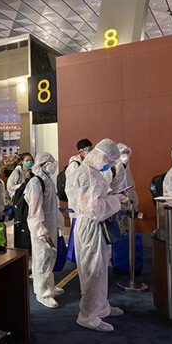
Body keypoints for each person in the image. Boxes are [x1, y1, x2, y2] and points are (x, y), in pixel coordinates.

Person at [67, 138, 127, 332]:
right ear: (101, 155)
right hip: (91, 226)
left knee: (100, 269)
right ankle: (88, 316)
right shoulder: (87, 175)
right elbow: (93, 210)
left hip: (95, 227)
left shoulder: (92, 172)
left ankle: (101, 307)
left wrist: (111, 198)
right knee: (93, 271)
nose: (109, 165)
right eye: (109, 161)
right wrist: (116, 201)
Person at [24, 152, 64, 308]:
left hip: (50, 225)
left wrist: (58, 223)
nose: (53, 164)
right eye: (50, 162)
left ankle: (49, 286)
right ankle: (42, 293)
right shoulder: (36, 182)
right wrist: (40, 229)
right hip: (41, 228)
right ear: (42, 164)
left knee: (50, 258)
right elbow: (34, 210)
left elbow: (52, 206)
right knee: (42, 259)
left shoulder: (47, 180)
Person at [64, 138, 93, 263]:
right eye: (88, 149)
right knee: (77, 230)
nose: (90, 152)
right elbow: (72, 187)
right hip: (76, 204)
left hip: (84, 204)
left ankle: (80, 254)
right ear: (81, 151)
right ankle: (75, 255)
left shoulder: (85, 163)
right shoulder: (74, 164)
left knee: (82, 231)